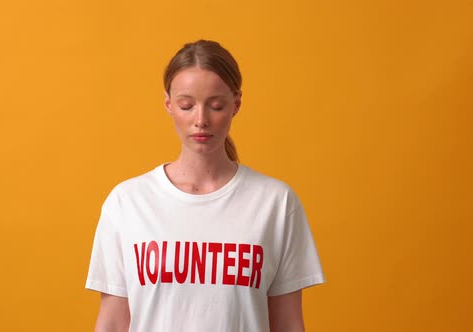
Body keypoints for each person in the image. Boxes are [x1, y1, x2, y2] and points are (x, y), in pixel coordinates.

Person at [85, 39, 325, 332]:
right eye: (187, 105)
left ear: (236, 104)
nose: (201, 120)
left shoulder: (276, 203)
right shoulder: (127, 203)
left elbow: (288, 324)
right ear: (169, 105)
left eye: (216, 105)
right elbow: (112, 323)